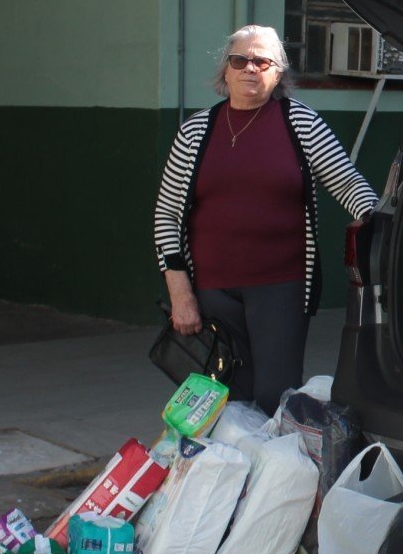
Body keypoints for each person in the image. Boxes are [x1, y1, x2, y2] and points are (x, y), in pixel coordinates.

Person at [154, 25, 378, 409]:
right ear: (226, 71)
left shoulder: (301, 124)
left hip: (282, 290)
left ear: (279, 74)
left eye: (262, 61)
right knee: (224, 403)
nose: (250, 69)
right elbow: (166, 215)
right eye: (240, 60)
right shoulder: (195, 131)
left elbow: (347, 184)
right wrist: (181, 294)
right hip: (211, 294)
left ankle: (275, 469)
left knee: (277, 398)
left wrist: (381, 222)